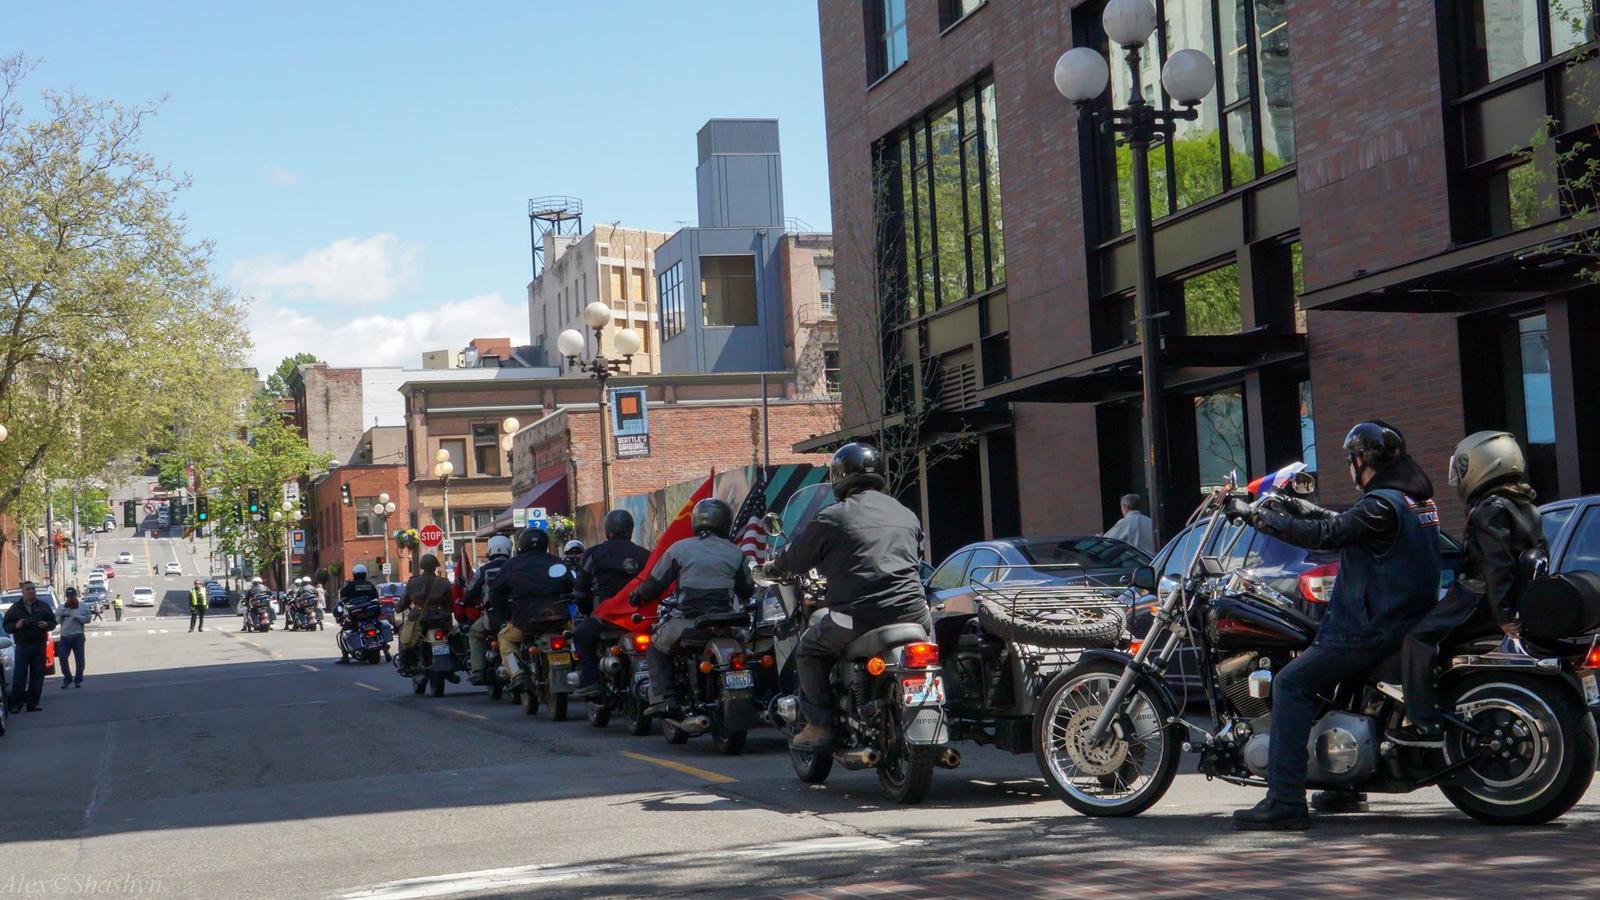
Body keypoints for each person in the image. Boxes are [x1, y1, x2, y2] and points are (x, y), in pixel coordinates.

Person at [1224, 421, 1442, 830]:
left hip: (1372, 626)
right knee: (1335, 685)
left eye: (1352, 460)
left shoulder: (1382, 504)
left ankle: (1284, 800)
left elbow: (1329, 534)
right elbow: (1344, 523)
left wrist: (1256, 518)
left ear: (1363, 461)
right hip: (1403, 619)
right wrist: (1295, 507)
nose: (1351, 467)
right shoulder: (1412, 502)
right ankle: (1343, 784)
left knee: (1291, 684)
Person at [765, 443, 934, 752]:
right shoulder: (905, 514)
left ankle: (818, 725)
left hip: (860, 615)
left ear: (839, 477)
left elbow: (796, 558)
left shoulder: (832, 517)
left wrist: (776, 566)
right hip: (913, 612)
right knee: (930, 655)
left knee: (810, 649)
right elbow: (917, 556)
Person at [1392, 431, 1545, 748]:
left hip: (1474, 599)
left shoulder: (1490, 508)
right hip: (1498, 602)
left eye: (1463, 466)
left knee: (1417, 639)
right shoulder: (1527, 506)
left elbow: (1496, 563)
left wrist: (1502, 614)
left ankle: (1424, 724)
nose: (1459, 475)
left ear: (1483, 465)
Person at [630, 498, 755, 718]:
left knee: (655, 647)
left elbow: (653, 584)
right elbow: (746, 590)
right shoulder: (736, 552)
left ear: (696, 521)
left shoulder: (679, 549)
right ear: (726, 522)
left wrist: (637, 597)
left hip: (688, 623)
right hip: (727, 623)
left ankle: (663, 698)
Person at [571, 510, 651, 699]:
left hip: (606, 619)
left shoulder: (594, 554)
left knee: (580, 635)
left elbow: (581, 591)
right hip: (640, 619)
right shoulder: (645, 555)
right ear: (630, 531)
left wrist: (586, 611)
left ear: (607, 531)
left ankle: (591, 682)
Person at [487, 528, 573, 688]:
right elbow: (572, 585)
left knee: (505, 638)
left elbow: (496, 592)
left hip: (525, 619)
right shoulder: (555, 561)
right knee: (576, 636)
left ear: (521, 545)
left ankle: (517, 673)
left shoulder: (512, 565)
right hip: (559, 617)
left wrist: (507, 615)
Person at [462, 534, 513, 685]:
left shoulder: (483, 570)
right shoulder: (516, 566)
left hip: (493, 617)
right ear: (509, 549)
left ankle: (478, 671)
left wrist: (464, 601)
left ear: (490, 549)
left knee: (474, 633)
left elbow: (471, 591)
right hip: (516, 615)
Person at [396, 554, 454, 675]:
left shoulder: (413, 582)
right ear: (435, 567)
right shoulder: (444, 583)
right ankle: (454, 660)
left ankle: (404, 663)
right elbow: (450, 603)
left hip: (418, 619)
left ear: (422, 566)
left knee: (404, 633)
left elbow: (403, 601)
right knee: (454, 636)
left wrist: (398, 608)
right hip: (441, 619)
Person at [4, 581, 57, 712]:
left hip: (39, 645)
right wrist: (16, 626)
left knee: (37, 675)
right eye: (28, 589)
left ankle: (33, 703)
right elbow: (7, 626)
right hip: (22, 646)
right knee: (20, 676)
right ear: (22, 592)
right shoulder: (16, 608)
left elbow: (53, 622)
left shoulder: (43, 606)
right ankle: (16, 705)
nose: (31, 591)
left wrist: (47, 624)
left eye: (33, 589)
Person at [57, 587, 91, 689]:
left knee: (79, 660)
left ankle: (78, 680)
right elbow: (56, 620)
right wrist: (60, 616)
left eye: (72, 597)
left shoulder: (82, 606)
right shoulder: (62, 607)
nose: (70, 599)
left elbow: (88, 619)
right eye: (68, 597)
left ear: (76, 596)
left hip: (78, 636)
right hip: (65, 637)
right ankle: (67, 678)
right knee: (62, 658)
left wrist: (78, 618)